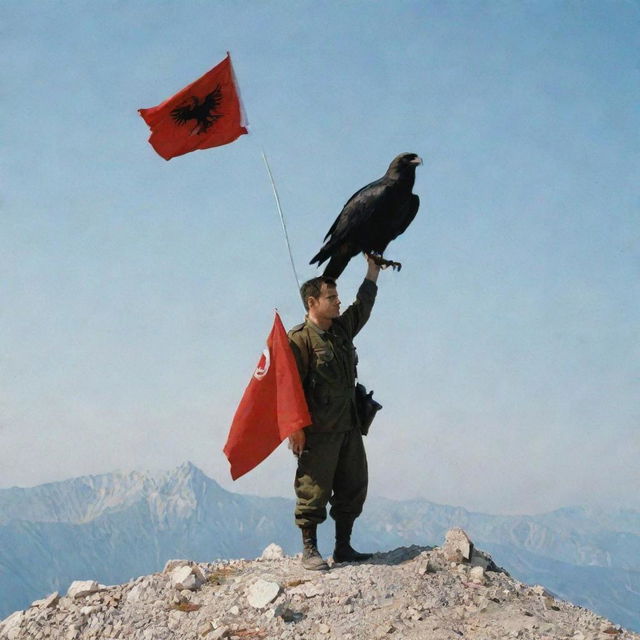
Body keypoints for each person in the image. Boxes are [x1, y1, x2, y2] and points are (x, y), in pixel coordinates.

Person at [287, 256, 381, 570]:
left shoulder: (341, 331)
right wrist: (294, 427)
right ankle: (310, 549)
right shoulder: (299, 340)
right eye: (331, 297)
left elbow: (362, 307)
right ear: (312, 302)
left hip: (349, 425)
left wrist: (372, 272)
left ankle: (343, 547)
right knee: (313, 488)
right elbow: (288, 388)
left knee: (353, 486)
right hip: (319, 430)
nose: (338, 301)